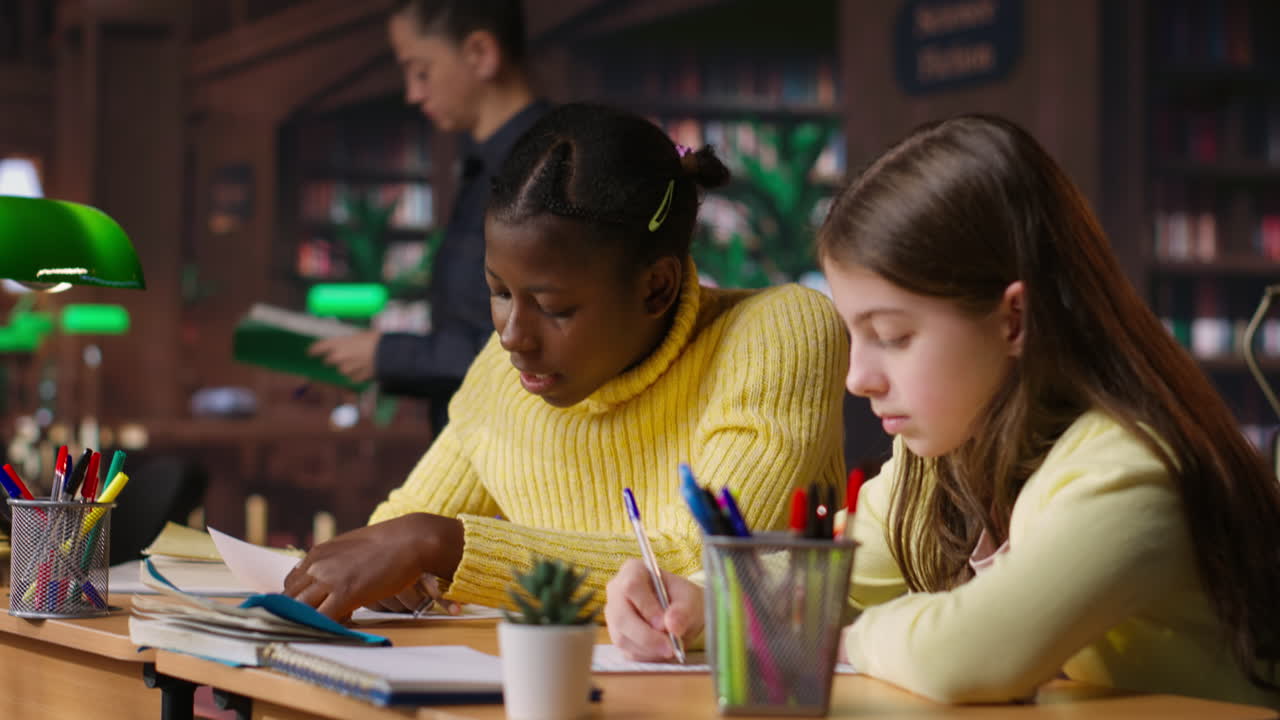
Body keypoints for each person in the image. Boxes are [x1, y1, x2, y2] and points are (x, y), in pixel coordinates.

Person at [604, 114, 1280, 707]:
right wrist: (696, 601)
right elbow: (830, 577)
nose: (858, 379)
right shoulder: (945, 455)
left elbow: (971, 653)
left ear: (1014, 318)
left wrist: (830, 638)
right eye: (855, 334)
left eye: (893, 336)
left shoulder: (1130, 468)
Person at [283, 103, 849, 621]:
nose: (511, 336)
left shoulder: (776, 335)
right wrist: (387, 569)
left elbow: (696, 563)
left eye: (553, 307)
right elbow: (399, 527)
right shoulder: (504, 373)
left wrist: (443, 547)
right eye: (500, 292)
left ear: (656, 287)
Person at [309, 0, 550, 432]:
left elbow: (541, 344)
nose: (413, 93)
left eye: (421, 71)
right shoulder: (486, 166)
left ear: (480, 53)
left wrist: (388, 356)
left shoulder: (542, 167)